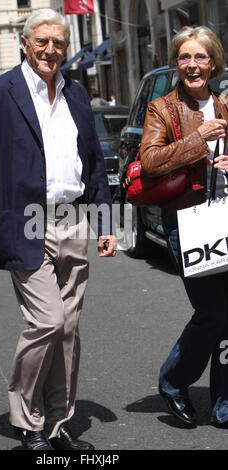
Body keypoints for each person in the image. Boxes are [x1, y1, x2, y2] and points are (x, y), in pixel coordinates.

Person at [0, 8, 117, 450]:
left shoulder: (77, 93)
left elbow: (93, 163)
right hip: (24, 222)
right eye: (41, 41)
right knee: (47, 321)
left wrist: (105, 220)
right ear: (25, 43)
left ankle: (58, 423)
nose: (50, 50)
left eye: (58, 42)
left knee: (69, 328)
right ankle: (27, 418)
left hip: (72, 217)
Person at [140, 26, 228, 428]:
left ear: (213, 62)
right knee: (212, 311)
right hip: (190, 222)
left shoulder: (225, 104)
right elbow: (151, 160)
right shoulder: (163, 108)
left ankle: (224, 404)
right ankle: (173, 381)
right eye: (184, 57)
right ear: (177, 63)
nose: (192, 65)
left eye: (200, 57)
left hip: (226, 216)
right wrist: (198, 138)